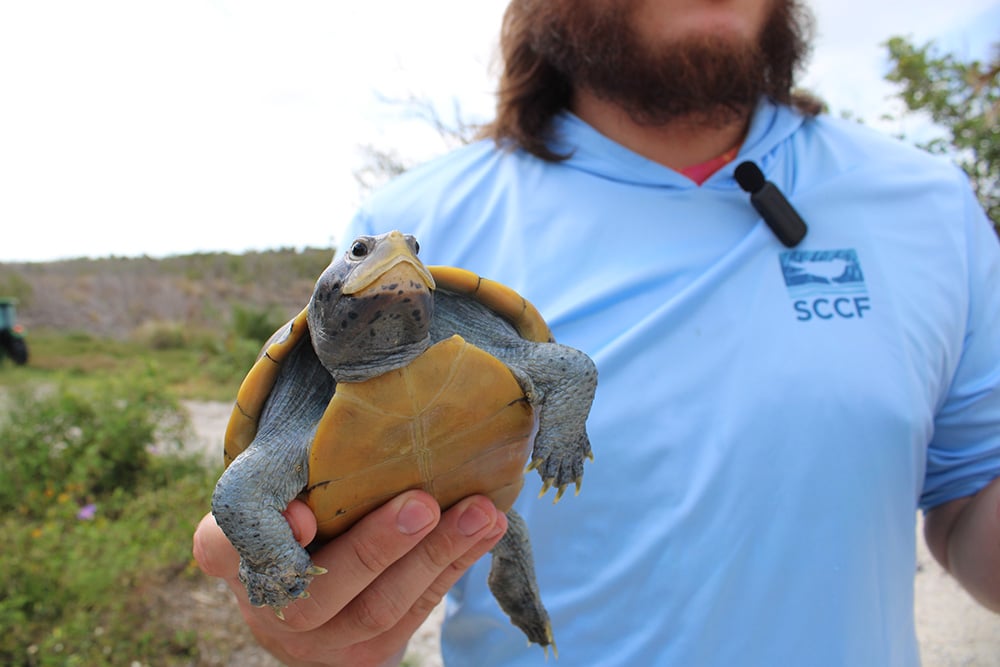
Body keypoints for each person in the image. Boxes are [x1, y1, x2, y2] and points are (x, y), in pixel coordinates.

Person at [192, 0, 1000, 664]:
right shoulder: (424, 214)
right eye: (376, 259)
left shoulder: (926, 203)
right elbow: (280, 524)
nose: (395, 261)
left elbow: (972, 497)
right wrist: (307, 610)